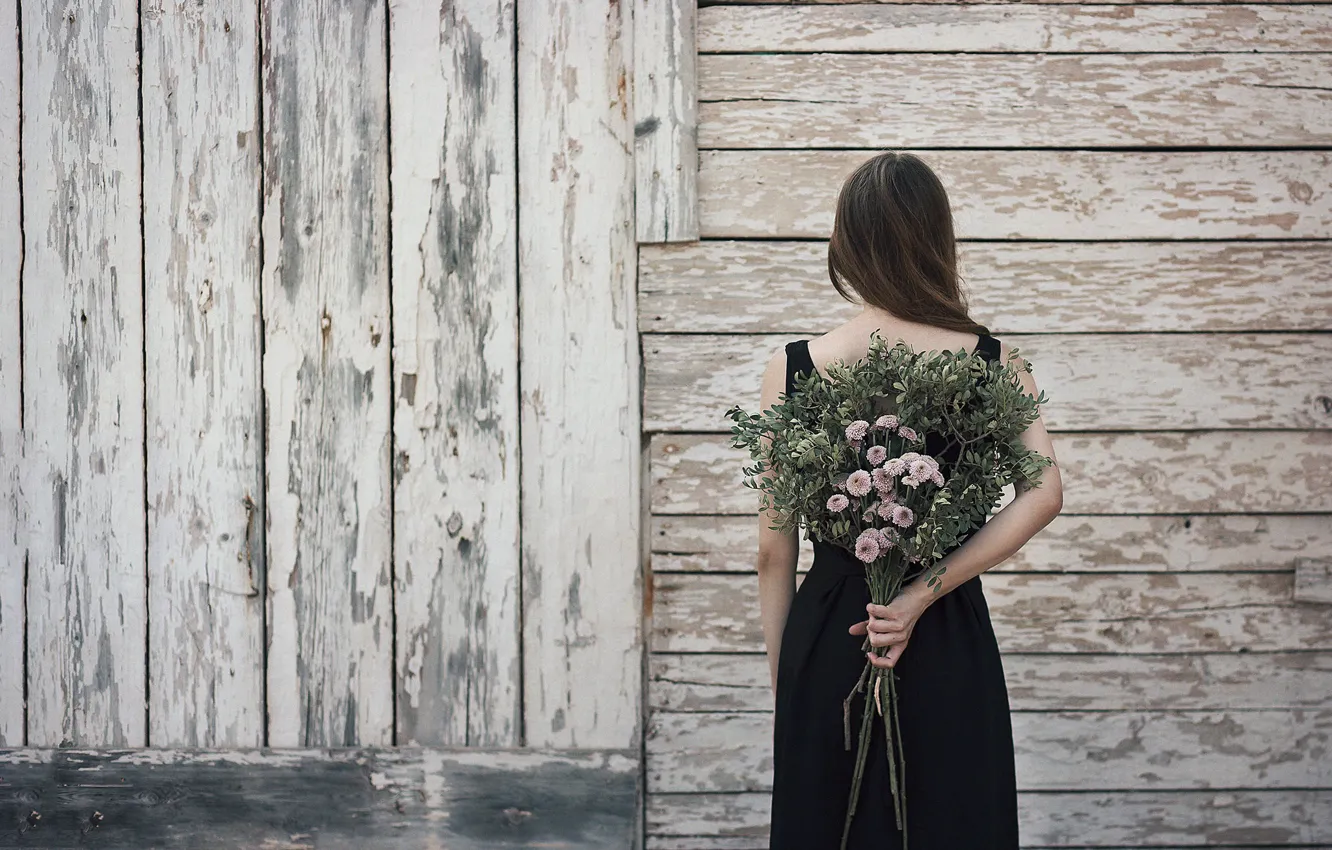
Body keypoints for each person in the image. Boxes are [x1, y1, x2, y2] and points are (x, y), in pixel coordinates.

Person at [753, 151, 1064, 849]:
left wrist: (791, 683)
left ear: (848, 245)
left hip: (832, 632)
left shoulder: (797, 366)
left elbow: (773, 551)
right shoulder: (990, 359)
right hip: (945, 628)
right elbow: (1043, 493)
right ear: (937, 241)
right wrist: (922, 594)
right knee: (951, 821)